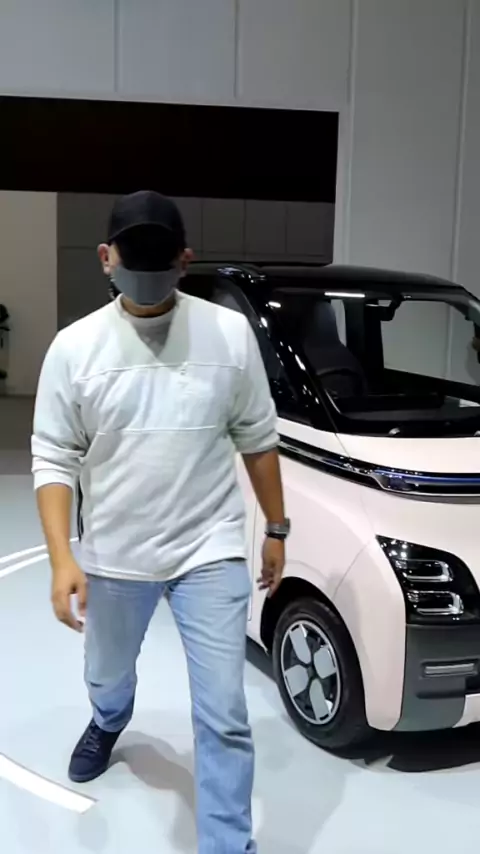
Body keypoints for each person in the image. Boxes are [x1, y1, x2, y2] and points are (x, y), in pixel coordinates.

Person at [32, 191, 289, 854]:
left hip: (208, 548)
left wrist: (276, 528)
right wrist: (62, 558)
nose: (146, 275)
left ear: (184, 260)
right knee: (107, 674)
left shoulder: (228, 335)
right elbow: (54, 456)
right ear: (105, 258)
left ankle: (228, 846)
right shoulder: (75, 347)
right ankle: (109, 718)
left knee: (224, 713)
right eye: (133, 259)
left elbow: (258, 438)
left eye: (160, 261)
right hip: (116, 553)